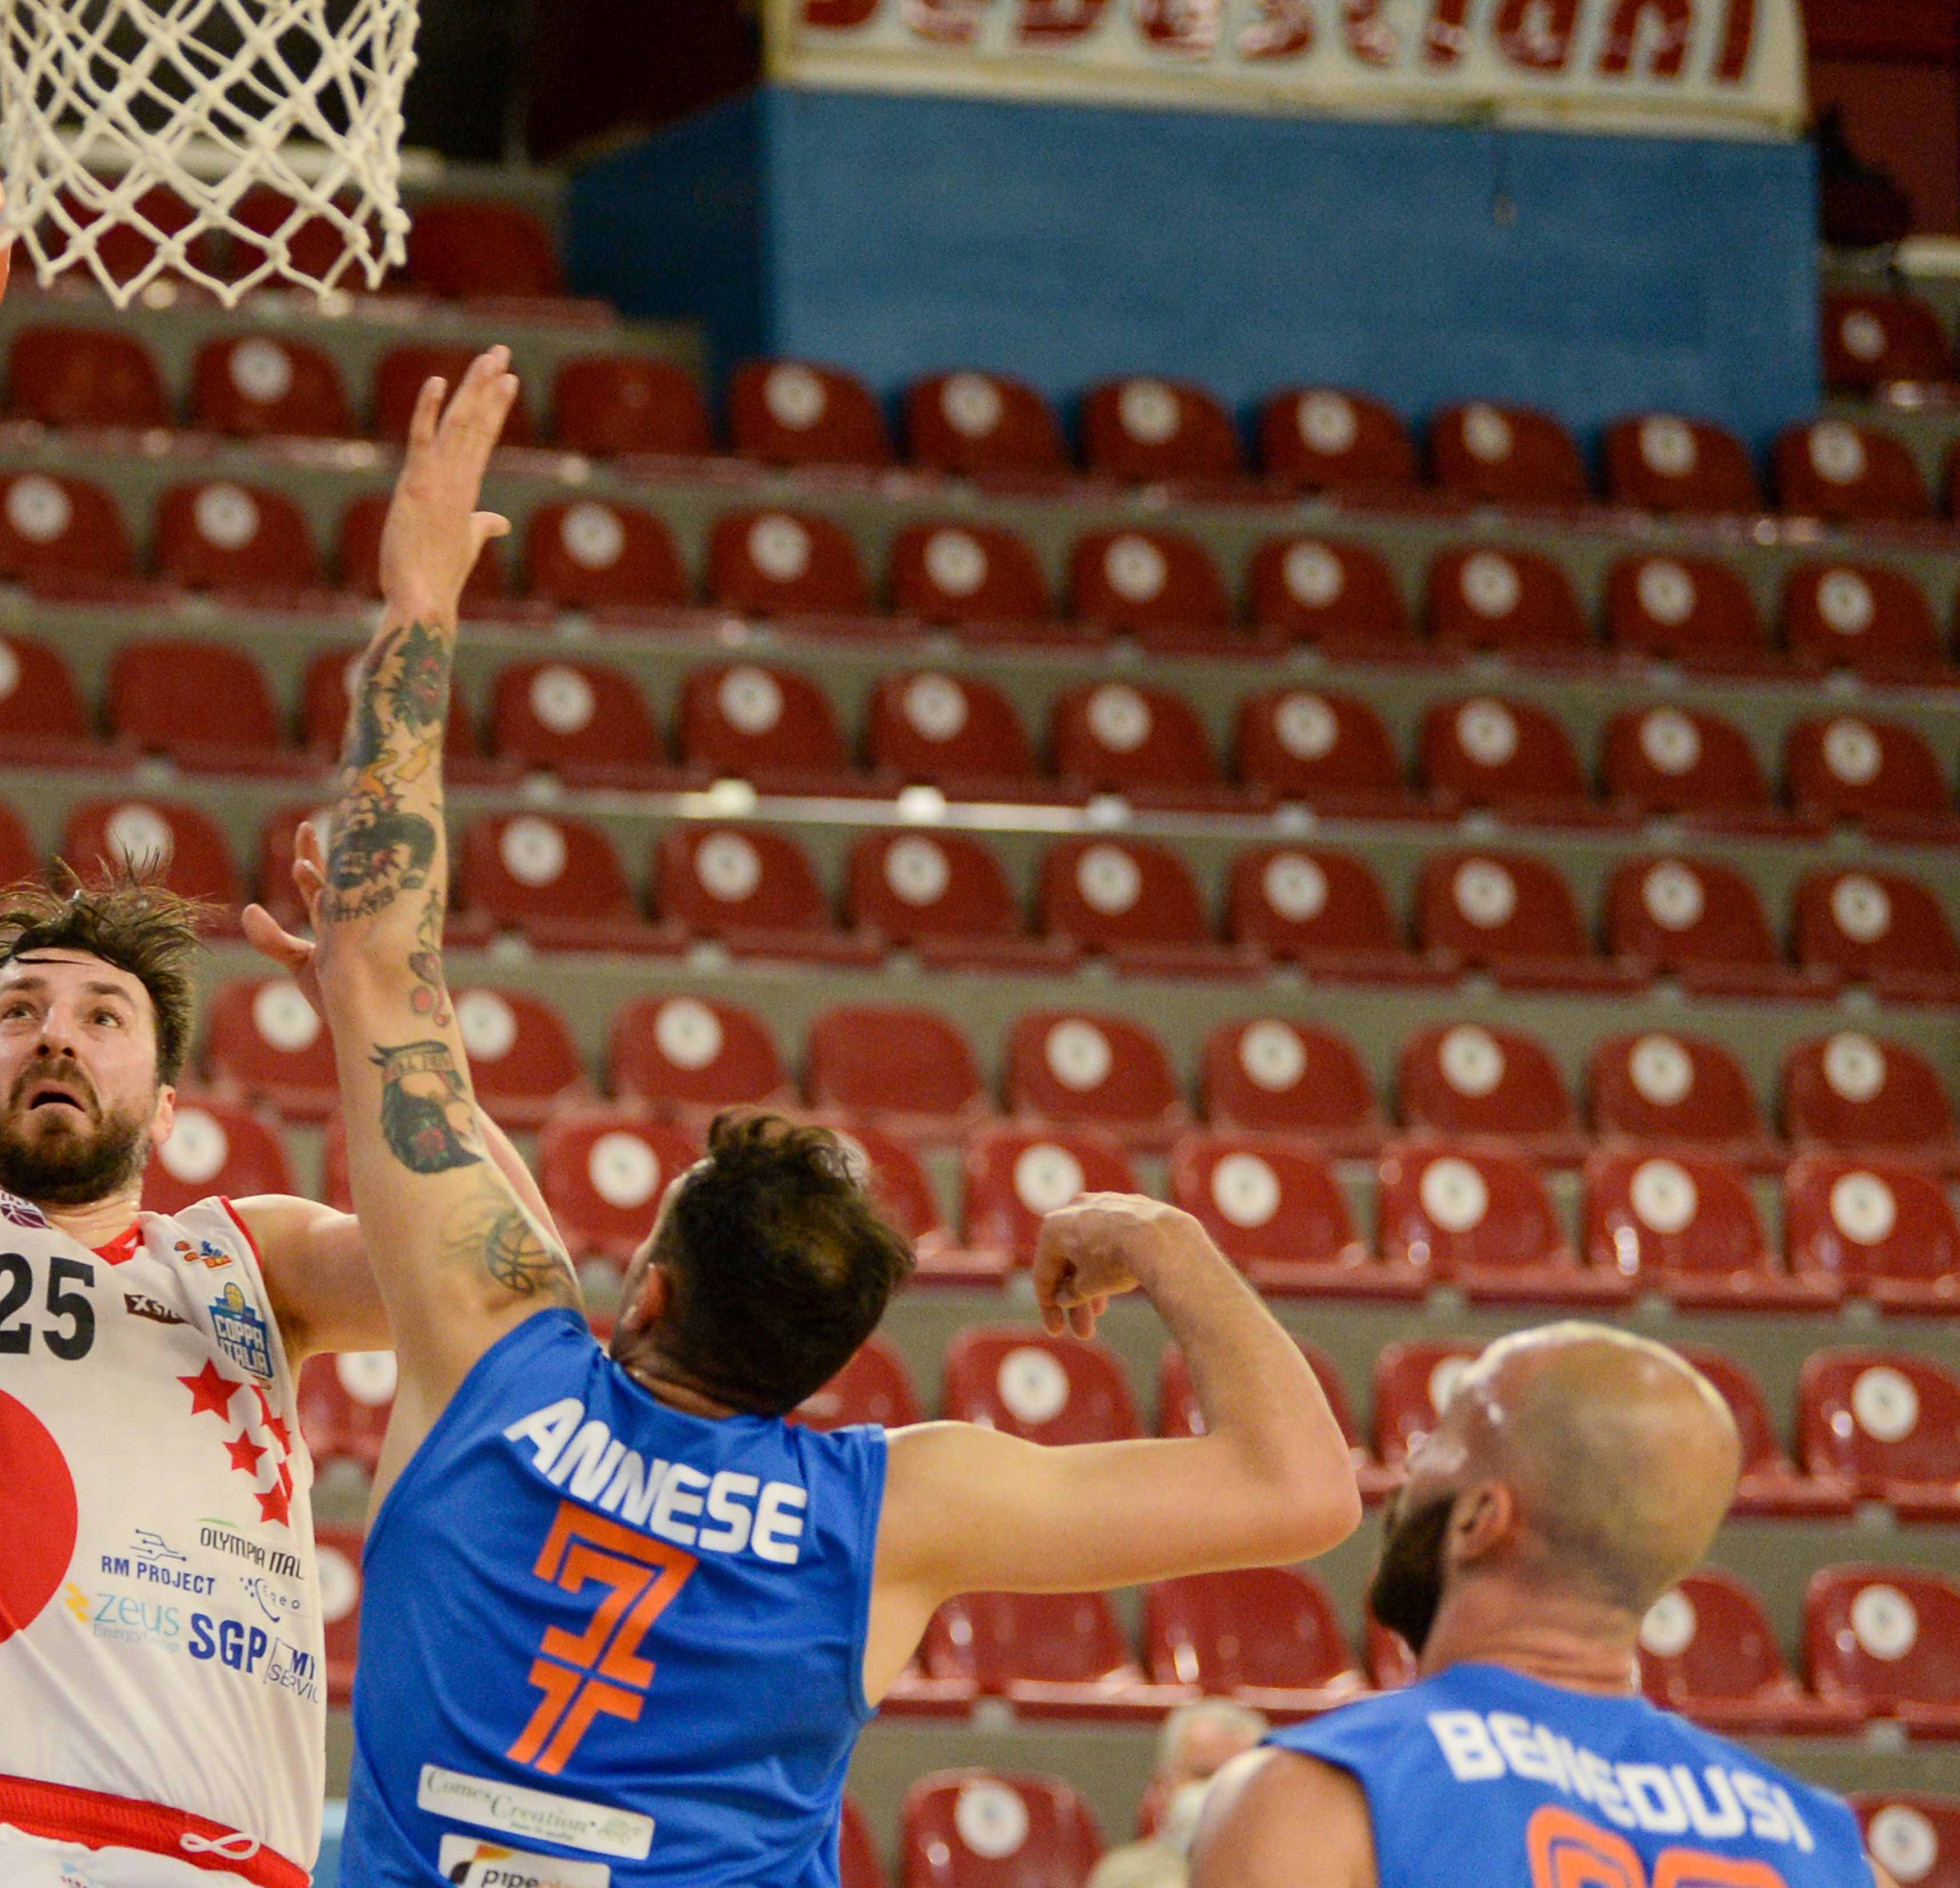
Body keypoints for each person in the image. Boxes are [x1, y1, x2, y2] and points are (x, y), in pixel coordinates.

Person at [239, 345, 1365, 1888]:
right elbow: (1305, 1486)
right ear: (824, 1365)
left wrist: (419, 594)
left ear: (646, 1293)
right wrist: (1158, 1238)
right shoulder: (893, 1508)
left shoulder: (498, 1354)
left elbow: (383, 955)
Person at [0, 290, 512, 1888]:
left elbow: (498, 1284)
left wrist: (386, 1001)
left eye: (102, 1014)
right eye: (17, 1011)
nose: (58, 1034)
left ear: (169, 1093)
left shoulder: (257, 1262)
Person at [1190, 1323, 1874, 1888]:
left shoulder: (1315, 1798)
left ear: (1478, 1520)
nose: (1411, 1465)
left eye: (1439, 1442)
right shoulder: (1835, 1852)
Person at [1087, 1702, 1268, 1888]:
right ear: (1163, 1784)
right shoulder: (1123, 1876)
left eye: (1233, 1779)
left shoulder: (1280, 1874)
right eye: (1203, 1775)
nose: (1216, 1792)